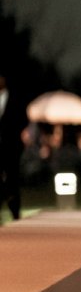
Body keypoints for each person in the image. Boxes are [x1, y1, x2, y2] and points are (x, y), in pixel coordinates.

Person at [0, 72, 29, 221]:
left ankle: (15, 211)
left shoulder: (15, 99)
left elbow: (23, 120)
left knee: (12, 178)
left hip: (11, 146)